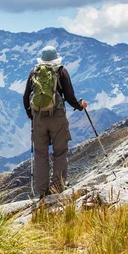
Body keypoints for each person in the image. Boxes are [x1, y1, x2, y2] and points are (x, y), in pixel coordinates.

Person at [23, 46, 87, 198]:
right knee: (60, 153)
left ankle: (42, 192)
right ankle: (57, 189)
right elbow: (70, 96)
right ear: (56, 58)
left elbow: (26, 97)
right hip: (57, 118)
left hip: (38, 119)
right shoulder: (61, 71)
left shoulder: (34, 72)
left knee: (40, 154)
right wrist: (80, 106)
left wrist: (30, 114)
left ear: (42, 59)